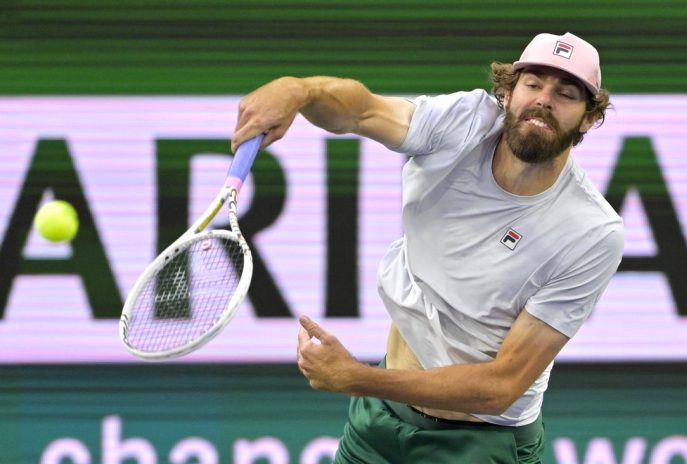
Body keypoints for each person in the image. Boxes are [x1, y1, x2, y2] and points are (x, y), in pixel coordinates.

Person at [232, 32, 624, 463]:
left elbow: (500, 387)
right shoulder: (465, 122)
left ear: (589, 119)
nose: (545, 100)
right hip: (379, 421)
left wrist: (357, 378)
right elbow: (362, 111)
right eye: (533, 84)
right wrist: (298, 90)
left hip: (479, 442)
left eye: (566, 94)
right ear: (508, 93)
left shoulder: (591, 232)